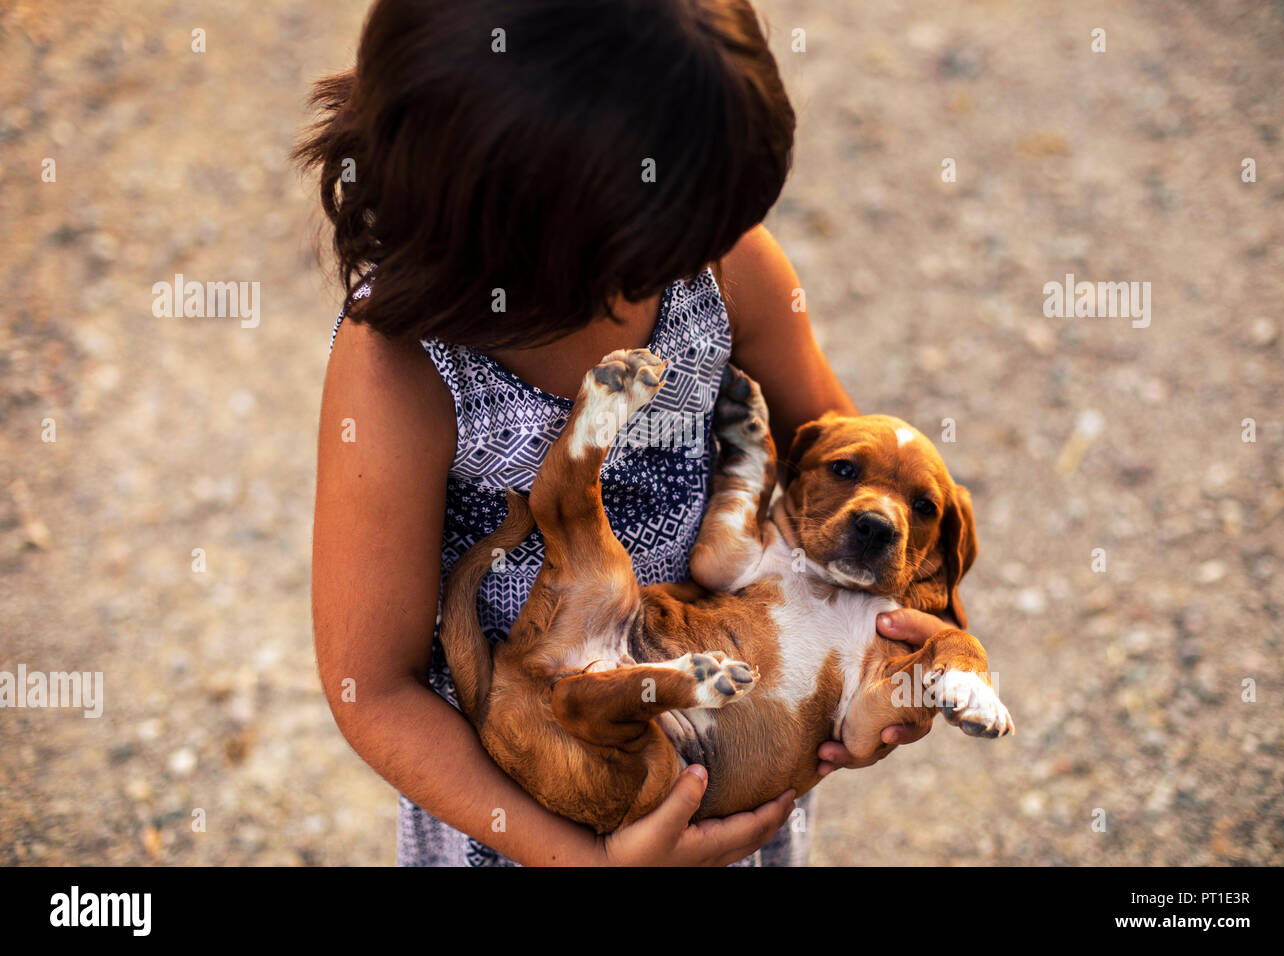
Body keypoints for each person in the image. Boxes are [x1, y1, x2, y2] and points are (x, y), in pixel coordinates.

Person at [301, 0, 948, 866]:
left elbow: (840, 458)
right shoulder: (399, 374)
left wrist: (897, 651)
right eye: (676, 236)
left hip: (725, 762)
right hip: (530, 815)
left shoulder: (722, 264)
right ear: (518, 229)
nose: (711, 249)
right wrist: (592, 864)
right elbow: (371, 690)